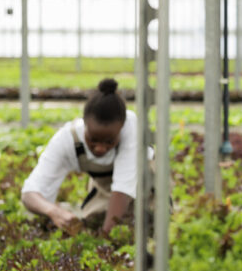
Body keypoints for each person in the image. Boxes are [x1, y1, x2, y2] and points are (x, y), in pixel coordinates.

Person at [22, 78, 149, 235]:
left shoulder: (131, 126)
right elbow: (30, 193)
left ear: (121, 128)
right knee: (94, 221)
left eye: (110, 141)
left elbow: (123, 189)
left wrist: (106, 238)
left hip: (147, 186)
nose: (100, 148)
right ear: (85, 124)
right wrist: (53, 211)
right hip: (107, 190)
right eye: (93, 140)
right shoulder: (67, 139)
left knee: (149, 223)